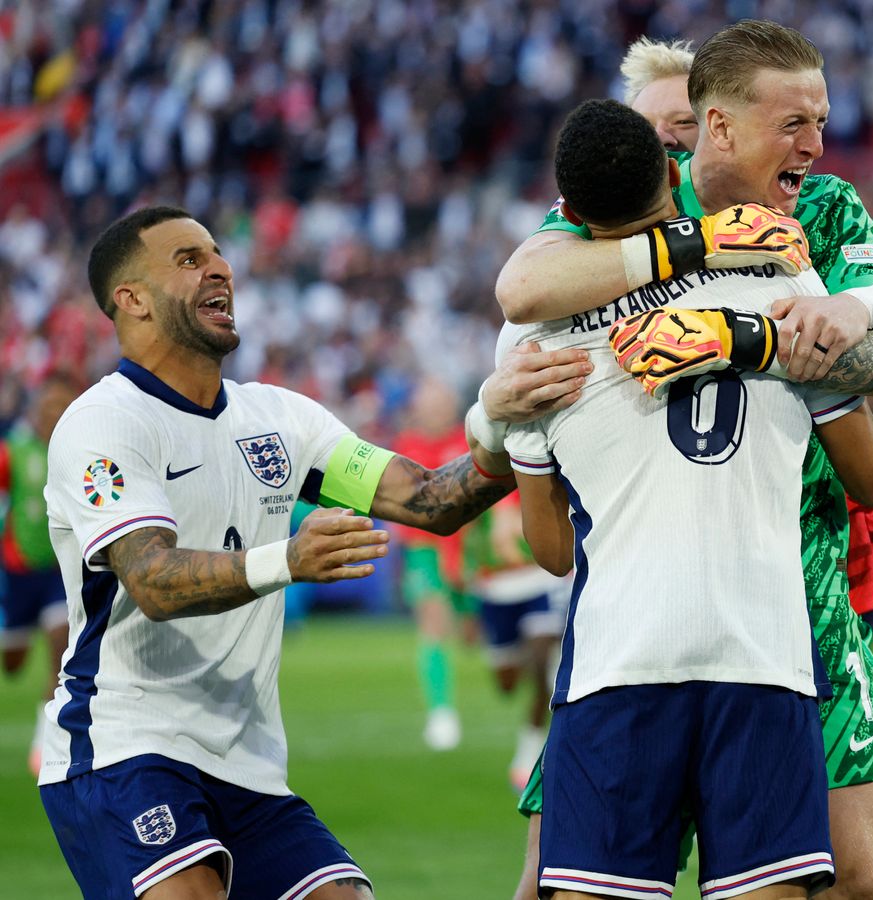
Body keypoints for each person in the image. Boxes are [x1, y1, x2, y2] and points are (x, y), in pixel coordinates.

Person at [490, 25, 873, 900]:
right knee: (553, 877)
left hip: (798, 581)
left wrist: (767, 330)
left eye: (820, 120)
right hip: (655, 611)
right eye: (794, 122)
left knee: (872, 881)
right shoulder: (609, 228)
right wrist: (703, 257)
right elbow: (520, 295)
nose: (813, 143)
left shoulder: (820, 216)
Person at [37, 206, 587, 900]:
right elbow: (152, 578)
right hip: (122, 746)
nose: (219, 267)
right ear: (132, 300)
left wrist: (500, 417)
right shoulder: (103, 424)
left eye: (216, 253)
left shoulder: (278, 419)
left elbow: (428, 500)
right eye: (188, 259)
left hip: (249, 762)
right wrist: (288, 561)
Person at [1, 373, 79, 776]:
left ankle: (44, 742)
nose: (54, 414)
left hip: (57, 571)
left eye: (61, 406)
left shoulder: (79, 451)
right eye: (48, 406)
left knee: (58, 648)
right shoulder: (13, 452)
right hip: (18, 571)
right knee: (11, 663)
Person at [391, 377, 475, 751]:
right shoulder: (406, 448)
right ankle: (441, 714)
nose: (434, 409)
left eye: (440, 402)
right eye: (428, 403)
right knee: (434, 623)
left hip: (473, 551)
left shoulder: (468, 440)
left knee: (478, 636)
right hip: (426, 551)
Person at [464, 494, 569, 791]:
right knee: (507, 684)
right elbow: (464, 533)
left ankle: (528, 754)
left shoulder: (541, 464)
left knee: (543, 666)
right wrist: (465, 606)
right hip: (495, 589)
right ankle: (527, 654)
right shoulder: (484, 472)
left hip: (540, 579)